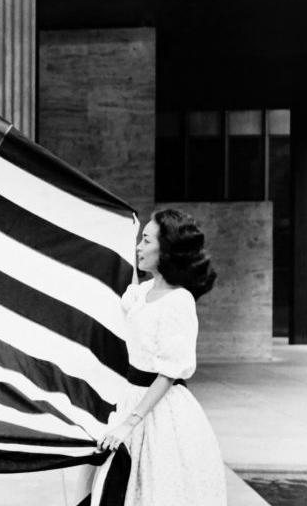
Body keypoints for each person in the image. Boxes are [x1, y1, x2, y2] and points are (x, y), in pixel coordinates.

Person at [98, 208, 226, 505]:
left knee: (158, 490)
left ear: (166, 249)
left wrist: (130, 423)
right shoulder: (142, 292)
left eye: (145, 240)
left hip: (160, 409)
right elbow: (129, 296)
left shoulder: (179, 300)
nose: (138, 247)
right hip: (131, 397)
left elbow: (169, 372)